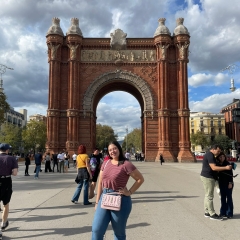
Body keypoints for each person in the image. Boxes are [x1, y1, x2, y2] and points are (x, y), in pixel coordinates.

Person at [92, 141, 144, 240]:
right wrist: (97, 201)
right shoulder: (106, 163)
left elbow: (140, 179)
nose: (113, 151)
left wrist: (129, 192)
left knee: (119, 233)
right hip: (104, 197)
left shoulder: (126, 164)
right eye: (110, 150)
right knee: (96, 230)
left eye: (115, 148)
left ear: (119, 149)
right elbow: (100, 182)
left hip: (120, 200)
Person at [200, 144, 232, 221]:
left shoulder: (209, 155)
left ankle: (207, 212)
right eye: (218, 151)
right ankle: (212, 214)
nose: (219, 152)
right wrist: (226, 167)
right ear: (213, 149)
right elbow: (214, 168)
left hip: (207, 177)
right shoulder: (210, 155)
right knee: (210, 196)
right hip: (208, 177)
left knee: (207, 195)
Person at [0, 143, 18, 238]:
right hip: (6, 181)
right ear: (7, 150)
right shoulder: (12, 159)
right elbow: (15, 173)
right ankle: (3, 223)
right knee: (5, 204)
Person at [216, 152, 234, 218]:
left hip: (228, 183)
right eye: (220, 157)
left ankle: (229, 213)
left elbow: (231, 174)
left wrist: (230, 183)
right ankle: (222, 212)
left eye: (223, 157)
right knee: (222, 198)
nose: (222, 158)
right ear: (218, 158)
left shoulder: (227, 164)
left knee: (229, 198)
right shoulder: (217, 165)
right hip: (221, 183)